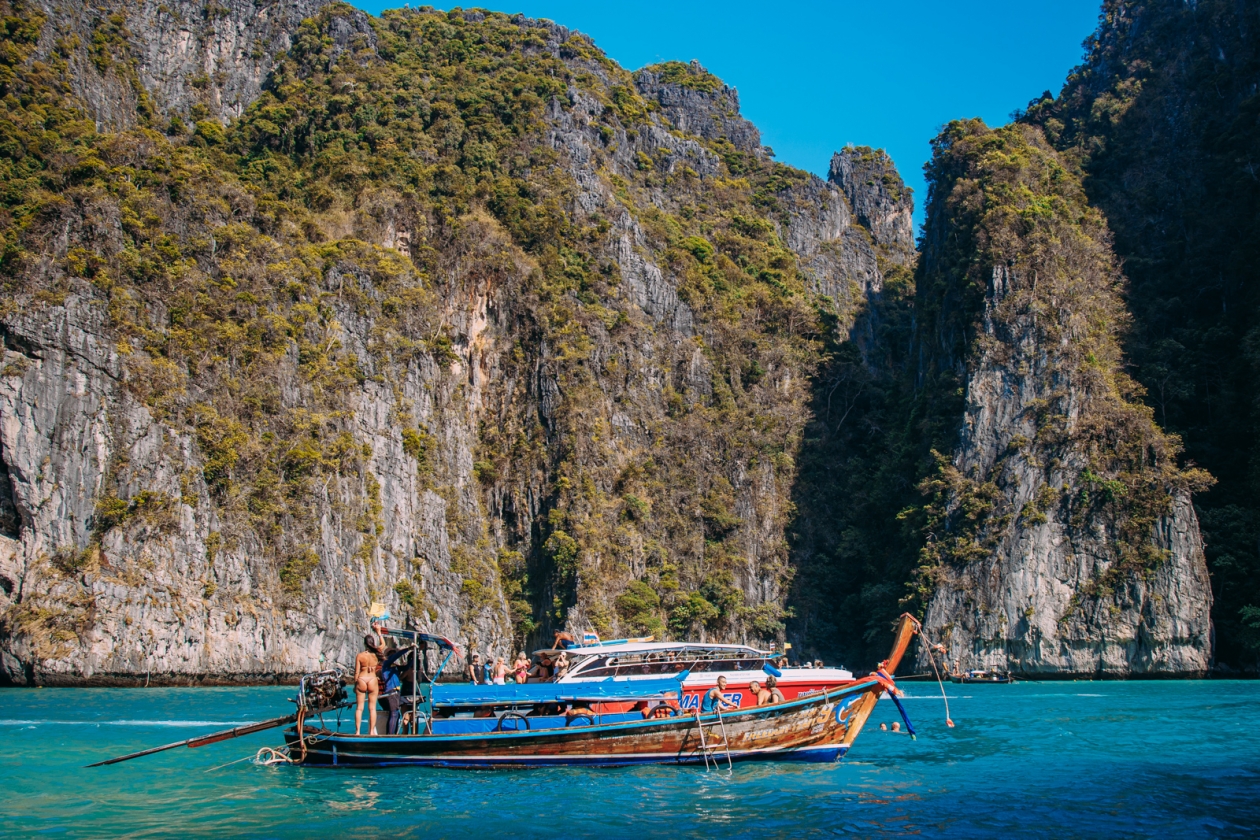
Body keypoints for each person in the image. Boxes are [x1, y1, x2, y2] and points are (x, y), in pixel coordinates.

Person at [353, 635, 381, 735]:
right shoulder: (377, 654)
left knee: (359, 708)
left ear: (364, 643)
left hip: (362, 678)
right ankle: (372, 731)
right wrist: (379, 633)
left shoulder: (360, 656)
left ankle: (357, 732)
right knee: (372, 708)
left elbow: (356, 672)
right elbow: (383, 644)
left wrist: (355, 684)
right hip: (372, 679)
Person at [378, 647, 406, 735]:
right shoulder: (386, 664)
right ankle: (390, 735)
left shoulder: (395, 667)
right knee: (394, 713)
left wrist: (414, 657)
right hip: (391, 691)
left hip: (396, 691)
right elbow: (395, 656)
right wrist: (407, 649)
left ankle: (394, 733)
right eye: (391, 654)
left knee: (396, 714)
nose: (393, 655)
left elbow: (406, 667)